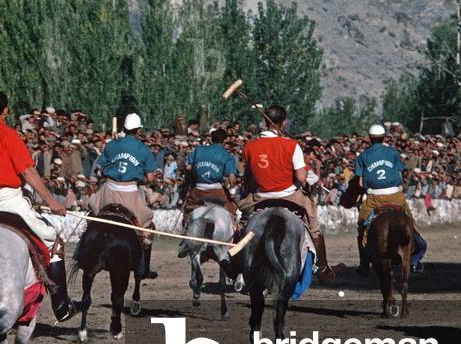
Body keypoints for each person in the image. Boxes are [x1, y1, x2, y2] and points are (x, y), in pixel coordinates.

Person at [0, 89, 77, 321]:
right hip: (9, 201)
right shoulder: (8, 134)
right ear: (6, 111)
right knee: (53, 239)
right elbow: (27, 171)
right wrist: (52, 202)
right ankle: (61, 305)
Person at [237, 105, 338, 283]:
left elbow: (248, 176)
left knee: (241, 221)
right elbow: (300, 176)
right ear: (283, 123)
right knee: (313, 222)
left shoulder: (249, 146)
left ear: (264, 122)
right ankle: (322, 267)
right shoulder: (291, 145)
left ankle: (237, 265)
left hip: (260, 197)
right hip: (289, 195)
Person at [87, 113, 159, 278]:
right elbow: (149, 178)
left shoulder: (112, 144)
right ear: (138, 130)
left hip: (108, 190)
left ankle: (82, 253)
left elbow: (100, 169)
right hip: (129, 193)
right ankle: (143, 267)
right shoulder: (143, 148)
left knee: (92, 213)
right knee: (147, 222)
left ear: (124, 128)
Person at [352, 124, 428, 273]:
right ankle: (415, 258)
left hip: (374, 197)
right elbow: (400, 172)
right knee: (411, 223)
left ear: (369, 139)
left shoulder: (363, 156)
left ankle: (364, 265)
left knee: (362, 225)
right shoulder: (393, 153)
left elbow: (361, 183)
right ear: (384, 138)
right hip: (396, 195)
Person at [182, 127, 238, 221]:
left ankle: (185, 225)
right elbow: (232, 179)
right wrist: (231, 189)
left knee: (187, 212)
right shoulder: (227, 155)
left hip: (197, 190)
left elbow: (187, 167)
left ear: (211, 139)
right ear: (224, 141)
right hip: (216, 191)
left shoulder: (198, 150)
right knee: (231, 209)